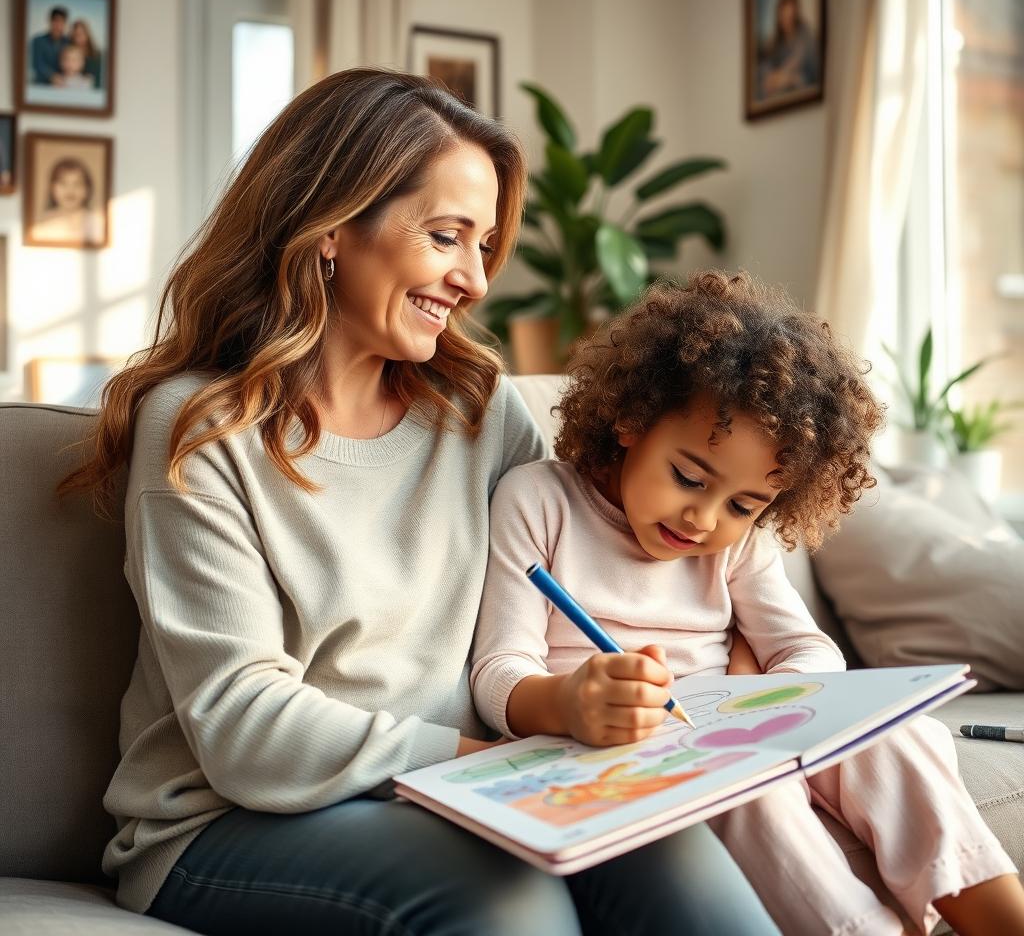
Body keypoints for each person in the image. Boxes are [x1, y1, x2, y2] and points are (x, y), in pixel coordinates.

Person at [58, 70, 780, 935]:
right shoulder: (202, 429)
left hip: (472, 789)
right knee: (508, 905)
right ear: (331, 228)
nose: (475, 280)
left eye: (485, 247)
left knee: (683, 864)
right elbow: (243, 725)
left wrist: (723, 663)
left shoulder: (480, 409)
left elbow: (591, 575)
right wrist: (483, 764)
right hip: (228, 821)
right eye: (447, 237)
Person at [472, 271, 1024, 936]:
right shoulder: (540, 501)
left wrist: (778, 698)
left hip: (725, 722)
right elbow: (497, 671)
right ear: (630, 420)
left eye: (742, 504)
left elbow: (806, 647)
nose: (703, 519)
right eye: (688, 478)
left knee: (896, 735)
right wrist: (567, 702)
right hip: (612, 744)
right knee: (747, 795)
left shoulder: (734, 544)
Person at [758, 0, 819, 99]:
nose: (786, 21)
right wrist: (772, 77)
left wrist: (790, 79)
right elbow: (765, 68)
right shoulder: (775, 43)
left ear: (795, 13)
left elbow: (813, 73)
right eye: (783, 16)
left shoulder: (806, 36)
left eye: (789, 16)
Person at [31, 157, 104, 246]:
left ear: (87, 189)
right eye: (63, 183)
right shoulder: (41, 226)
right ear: (52, 188)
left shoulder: (98, 223)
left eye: (77, 184)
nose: (70, 190)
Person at [30, 5, 69, 85]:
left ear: (65, 23)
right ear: (50, 21)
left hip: (64, 85)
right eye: (55, 21)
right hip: (41, 84)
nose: (58, 25)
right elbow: (37, 64)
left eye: (62, 21)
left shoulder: (68, 42)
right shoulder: (38, 41)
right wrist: (52, 76)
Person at [69, 18, 102, 86]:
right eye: (75, 35)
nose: (78, 39)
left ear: (87, 35)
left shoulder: (97, 56)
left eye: (81, 34)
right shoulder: (68, 54)